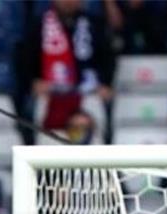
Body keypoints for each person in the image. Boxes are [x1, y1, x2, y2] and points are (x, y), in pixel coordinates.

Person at [18, 0, 116, 131]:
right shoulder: (39, 25)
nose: (68, 2)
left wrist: (105, 84)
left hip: (89, 89)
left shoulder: (95, 24)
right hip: (50, 90)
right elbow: (24, 59)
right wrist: (33, 82)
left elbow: (108, 58)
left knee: (108, 105)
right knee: (29, 107)